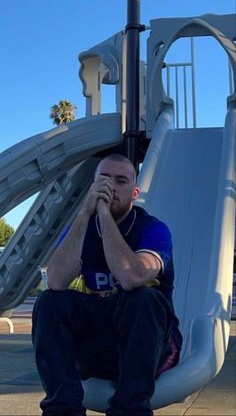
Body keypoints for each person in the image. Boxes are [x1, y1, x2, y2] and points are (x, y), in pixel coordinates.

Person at [32, 153, 182, 416]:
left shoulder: (154, 230)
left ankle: (129, 410)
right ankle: (61, 409)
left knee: (142, 296)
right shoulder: (82, 227)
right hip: (99, 346)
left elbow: (131, 276)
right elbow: (54, 281)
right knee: (50, 301)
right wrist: (85, 213)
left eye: (120, 181)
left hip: (149, 348)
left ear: (135, 193)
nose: (110, 187)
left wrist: (104, 213)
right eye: (103, 179)